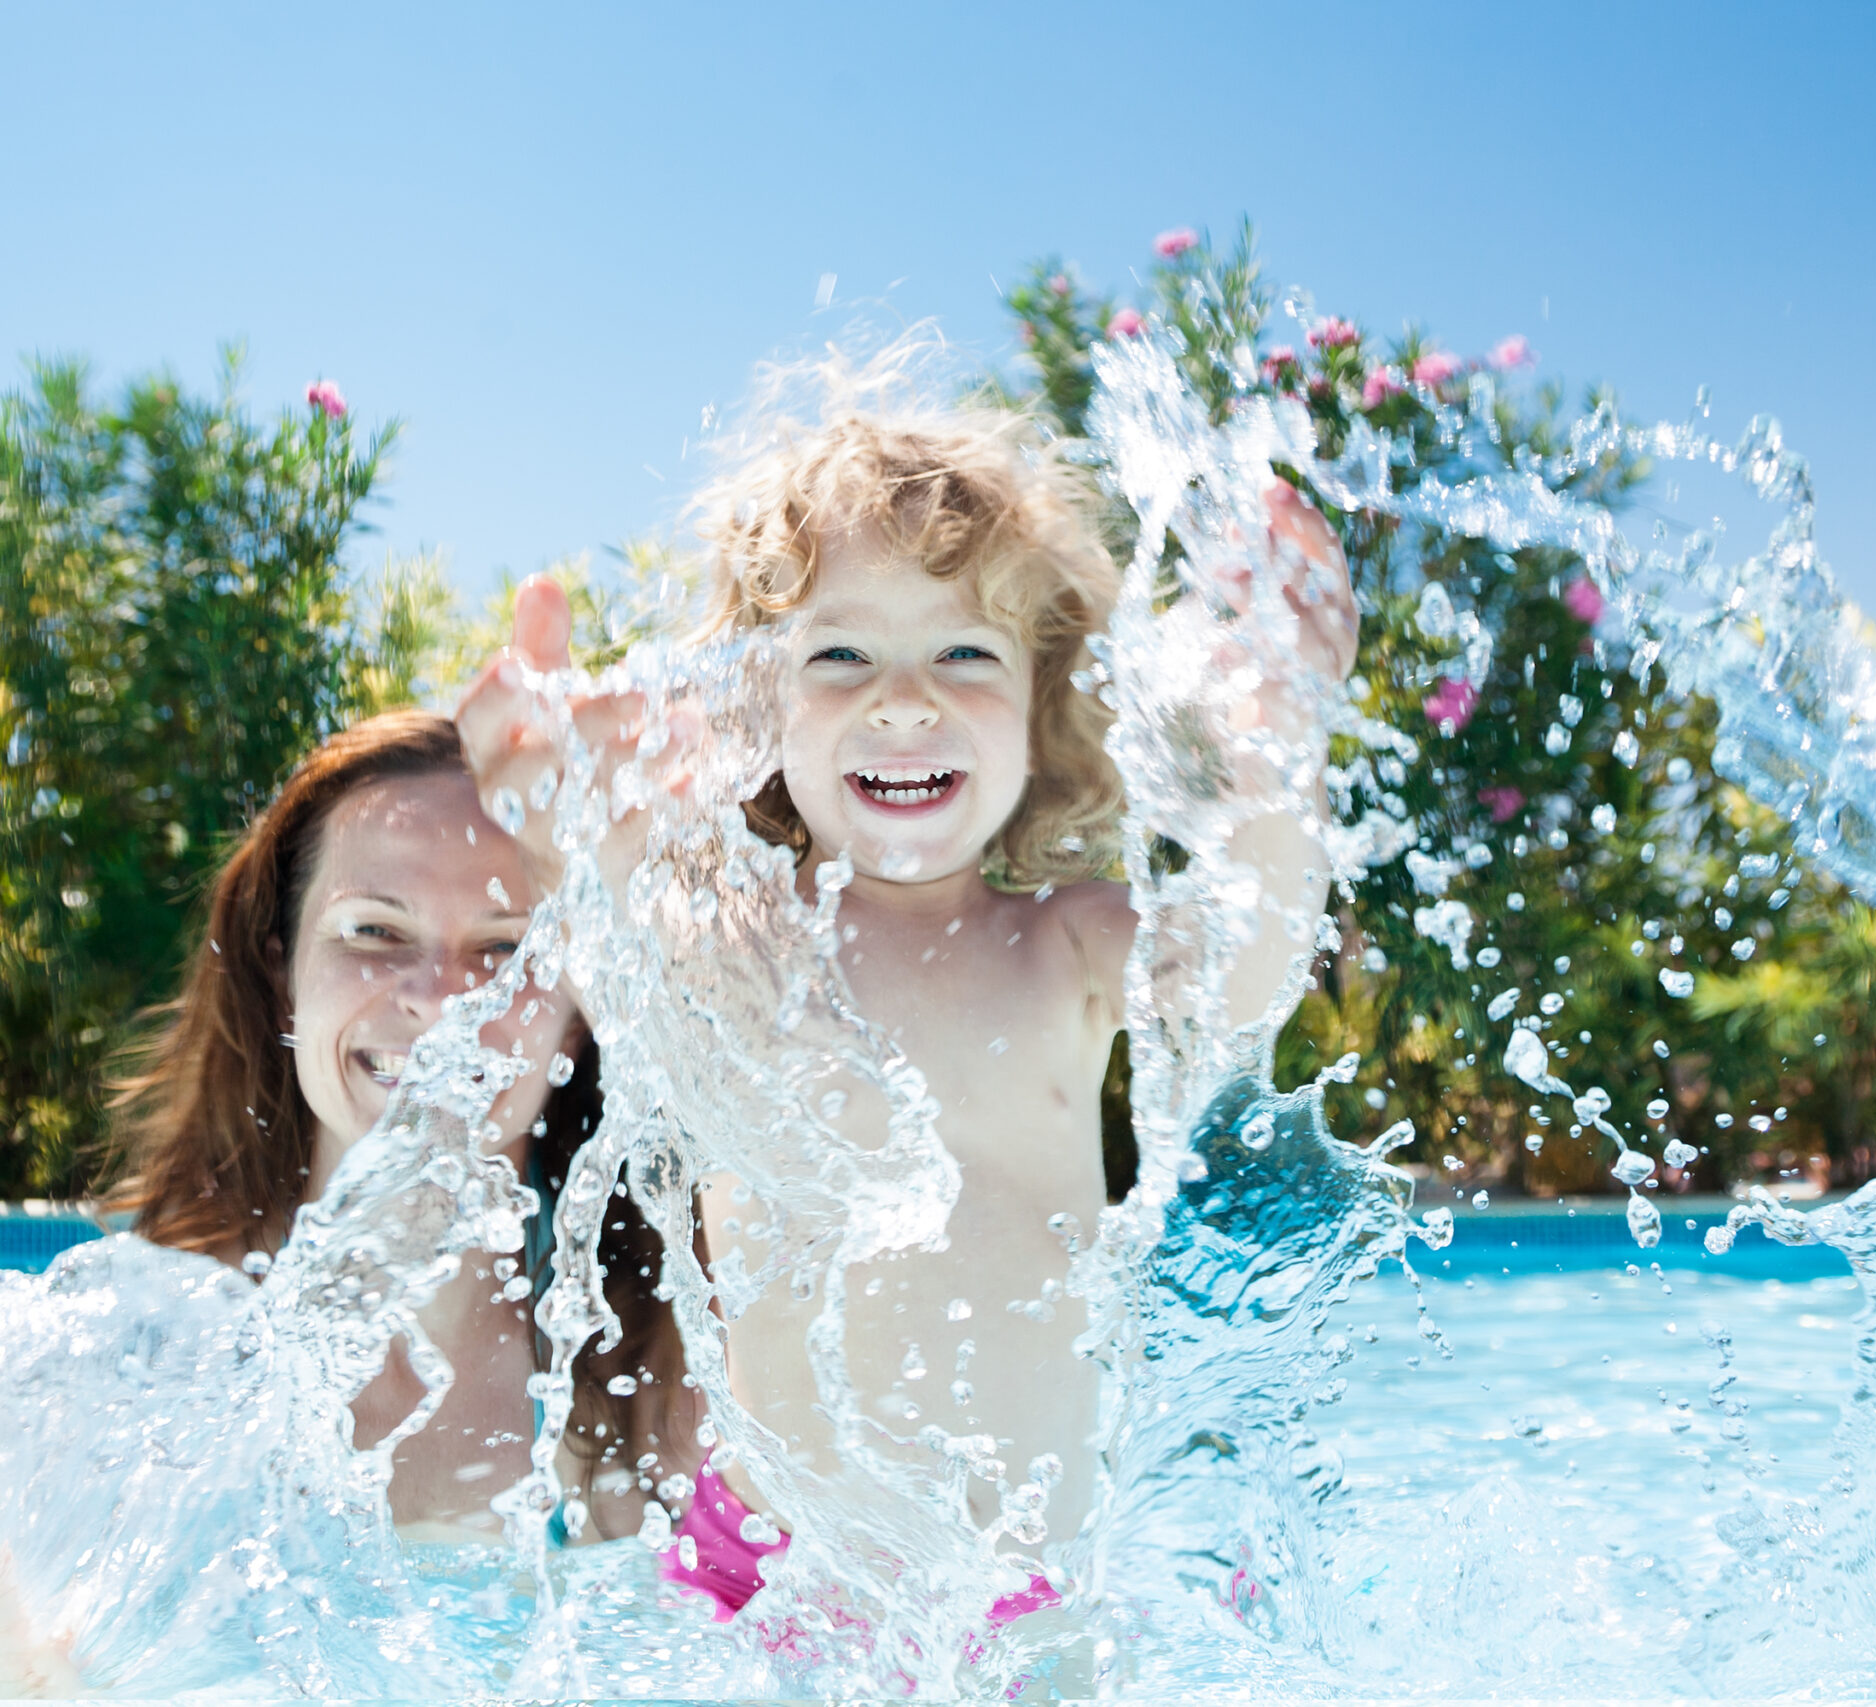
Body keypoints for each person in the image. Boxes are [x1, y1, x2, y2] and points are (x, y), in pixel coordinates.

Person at [458, 398, 1355, 1616]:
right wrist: (552, 792)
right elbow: (604, 908)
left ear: (1042, 708)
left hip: (1013, 1590)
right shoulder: (740, 941)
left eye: (964, 654)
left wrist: (1274, 762)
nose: (901, 699)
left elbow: (1242, 980)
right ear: (753, 705)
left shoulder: (1068, 944)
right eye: (839, 655)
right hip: (766, 1565)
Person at [0, 708, 697, 1692]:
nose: (437, 999)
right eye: (375, 931)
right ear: (281, 969)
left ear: (579, 1004)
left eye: (503, 946)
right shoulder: (126, 1360)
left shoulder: (671, 1365)